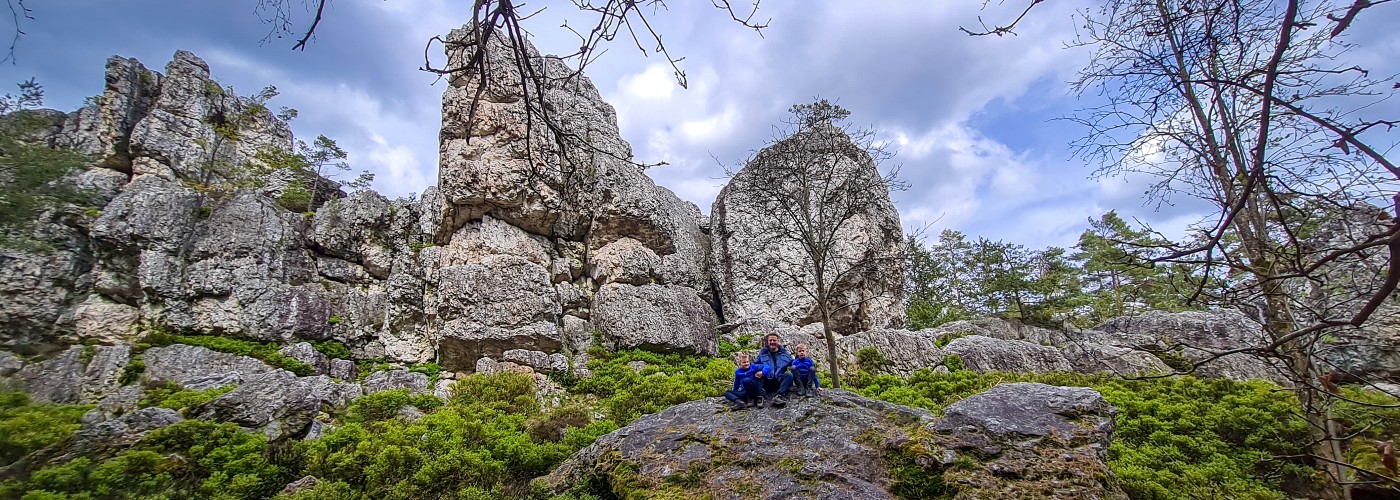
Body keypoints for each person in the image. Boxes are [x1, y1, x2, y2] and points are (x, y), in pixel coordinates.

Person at [755, 332, 794, 407]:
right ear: (768, 341)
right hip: (767, 379)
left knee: (789, 375)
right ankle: (761, 396)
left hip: (779, 379)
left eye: (774, 340)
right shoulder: (763, 353)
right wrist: (761, 371)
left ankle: (778, 396)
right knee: (757, 376)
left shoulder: (785, 353)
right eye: (770, 340)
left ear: (778, 341)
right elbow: (755, 365)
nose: (772, 342)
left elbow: (793, 364)